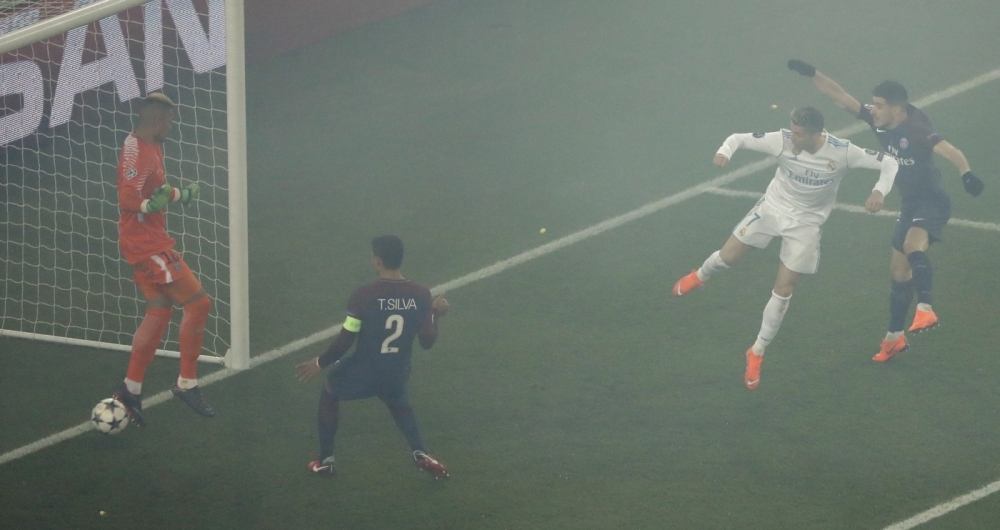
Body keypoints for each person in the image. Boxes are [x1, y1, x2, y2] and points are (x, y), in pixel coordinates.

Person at [672, 106, 898, 390]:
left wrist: (879, 190)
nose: (792, 137)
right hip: (771, 209)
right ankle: (700, 276)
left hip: (805, 225)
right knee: (726, 257)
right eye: (792, 130)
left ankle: (756, 352)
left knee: (784, 290)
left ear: (817, 134)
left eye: (799, 133)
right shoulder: (781, 140)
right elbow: (737, 138)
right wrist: (724, 152)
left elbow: (890, 162)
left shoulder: (843, 151)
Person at [788, 60, 985, 362]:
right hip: (909, 204)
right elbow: (840, 96)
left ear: (896, 108)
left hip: (931, 202)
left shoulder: (918, 129)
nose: (873, 109)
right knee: (898, 271)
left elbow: (950, 150)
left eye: (879, 105)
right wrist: (812, 73)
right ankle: (894, 338)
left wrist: (966, 174)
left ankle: (926, 309)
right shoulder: (879, 119)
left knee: (911, 245)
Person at [296, 235, 451, 478]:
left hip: (365, 371)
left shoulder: (363, 295)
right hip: (397, 371)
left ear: (377, 261)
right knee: (397, 400)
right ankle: (420, 452)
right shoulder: (421, 294)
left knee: (329, 390)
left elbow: (346, 338)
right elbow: (427, 342)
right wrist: (434, 313)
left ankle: (325, 460)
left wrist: (320, 362)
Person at [111, 92, 215, 425]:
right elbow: (128, 196)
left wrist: (180, 195)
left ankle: (130, 390)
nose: (171, 125)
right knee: (198, 304)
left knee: (159, 310)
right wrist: (146, 207)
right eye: (168, 120)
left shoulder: (152, 146)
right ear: (156, 121)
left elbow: (156, 188)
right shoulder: (135, 153)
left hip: (144, 242)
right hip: (147, 245)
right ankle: (187, 383)